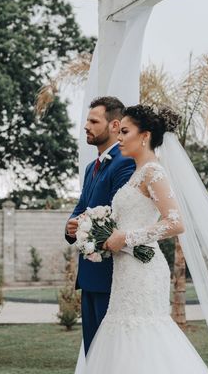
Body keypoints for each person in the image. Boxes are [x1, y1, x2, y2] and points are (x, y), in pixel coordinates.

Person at [81, 104, 208, 373]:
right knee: (122, 339)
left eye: (125, 131)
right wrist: (97, 230)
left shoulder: (154, 172)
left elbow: (176, 223)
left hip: (144, 271)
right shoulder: (136, 175)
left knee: (143, 336)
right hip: (124, 272)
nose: (118, 138)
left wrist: (126, 238)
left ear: (145, 136)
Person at [65, 96, 135, 354]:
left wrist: (85, 224)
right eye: (87, 120)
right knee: (92, 352)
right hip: (88, 277)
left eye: (94, 121)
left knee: (109, 354)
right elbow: (82, 206)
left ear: (115, 125)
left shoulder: (124, 163)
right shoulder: (89, 168)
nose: (86, 126)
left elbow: (119, 216)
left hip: (110, 275)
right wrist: (71, 226)